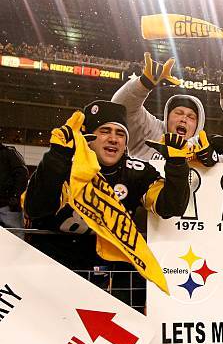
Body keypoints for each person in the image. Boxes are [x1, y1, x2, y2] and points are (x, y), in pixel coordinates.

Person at [24, 100, 190, 274]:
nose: (113, 139)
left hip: (104, 274)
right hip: (50, 267)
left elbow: (171, 207)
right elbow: (36, 208)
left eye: (120, 134)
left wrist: (177, 166)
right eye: (105, 131)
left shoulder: (137, 172)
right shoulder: (66, 165)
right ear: (88, 137)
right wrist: (57, 157)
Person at [112, 52, 206, 160]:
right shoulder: (150, 131)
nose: (184, 119)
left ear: (198, 125)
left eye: (191, 117)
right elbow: (119, 109)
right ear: (167, 117)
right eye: (178, 113)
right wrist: (143, 85)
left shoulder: (203, 152)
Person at [0, 142, 28, 231]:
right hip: (8, 204)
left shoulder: (8, 153)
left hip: (7, 205)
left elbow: (22, 174)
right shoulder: (9, 153)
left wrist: (15, 195)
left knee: (14, 235)